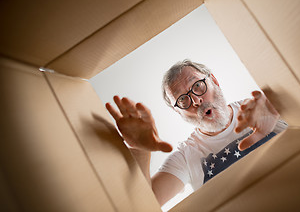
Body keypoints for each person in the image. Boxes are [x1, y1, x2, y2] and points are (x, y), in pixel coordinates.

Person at [105, 60, 287, 206]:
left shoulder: (260, 107)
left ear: (214, 80)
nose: (196, 100)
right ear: (179, 112)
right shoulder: (185, 157)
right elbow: (146, 204)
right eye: (183, 100)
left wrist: (285, 106)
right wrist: (140, 150)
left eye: (198, 85)